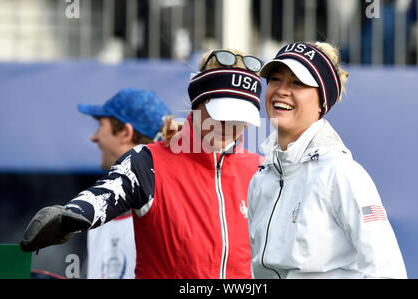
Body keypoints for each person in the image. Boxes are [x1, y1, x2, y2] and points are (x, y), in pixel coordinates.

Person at [20, 49, 264, 279]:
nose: (229, 124)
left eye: (240, 116)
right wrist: (72, 214)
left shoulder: (262, 170)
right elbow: (107, 193)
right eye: (221, 112)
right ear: (198, 103)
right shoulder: (147, 161)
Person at [247, 41, 407, 279]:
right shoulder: (260, 180)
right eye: (275, 79)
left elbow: (388, 272)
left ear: (322, 103)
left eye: (297, 83)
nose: (281, 90)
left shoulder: (342, 173)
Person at [77, 88, 170, 278]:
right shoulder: (100, 213)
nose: (94, 137)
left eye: (101, 125)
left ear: (126, 133)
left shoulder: (170, 215)